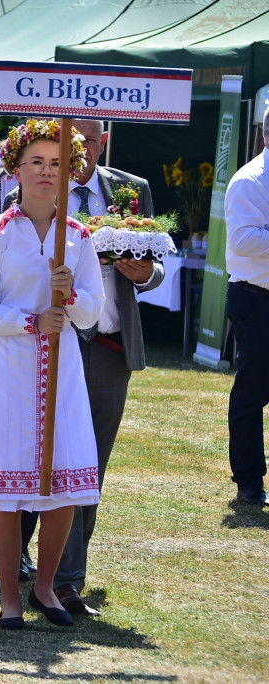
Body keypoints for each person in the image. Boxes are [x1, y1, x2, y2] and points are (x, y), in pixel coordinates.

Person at [0, 119, 104, 628]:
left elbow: (92, 311)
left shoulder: (78, 236)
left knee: (64, 483)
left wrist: (69, 294)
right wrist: (31, 321)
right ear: (16, 170)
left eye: (56, 164)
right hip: (8, 367)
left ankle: (46, 589)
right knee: (9, 487)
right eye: (37, 163)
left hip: (63, 368)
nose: (47, 173)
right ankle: (10, 596)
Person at [19, 118, 164, 612]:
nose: (81, 148)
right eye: (70, 139)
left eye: (91, 139)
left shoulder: (131, 189)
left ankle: (66, 577)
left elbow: (157, 259)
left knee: (87, 464)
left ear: (104, 141)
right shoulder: (32, 186)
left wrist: (147, 272)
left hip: (107, 346)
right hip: (45, 342)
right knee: (30, 451)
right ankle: (20, 556)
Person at [224, 106, 269, 507]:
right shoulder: (250, 180)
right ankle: (250, 482)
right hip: (258, 300)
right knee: (252, 394)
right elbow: (242, 241)